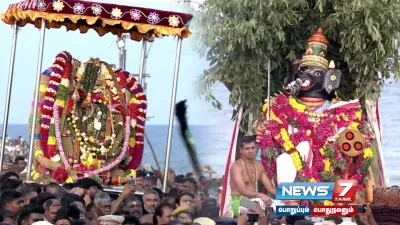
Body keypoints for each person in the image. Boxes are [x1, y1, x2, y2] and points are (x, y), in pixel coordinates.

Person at [230, 136, 276, 217]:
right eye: (247, 149)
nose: (250, 151)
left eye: (252, 148)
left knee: (282, 206)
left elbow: (271, 188)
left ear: (256, 149)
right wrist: (261, 195)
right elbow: (243, 190)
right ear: (241, 150)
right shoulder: (236, 166)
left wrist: (287, 197)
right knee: (259, 207)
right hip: (240, 201)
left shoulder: (259, 166)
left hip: (256, 200)